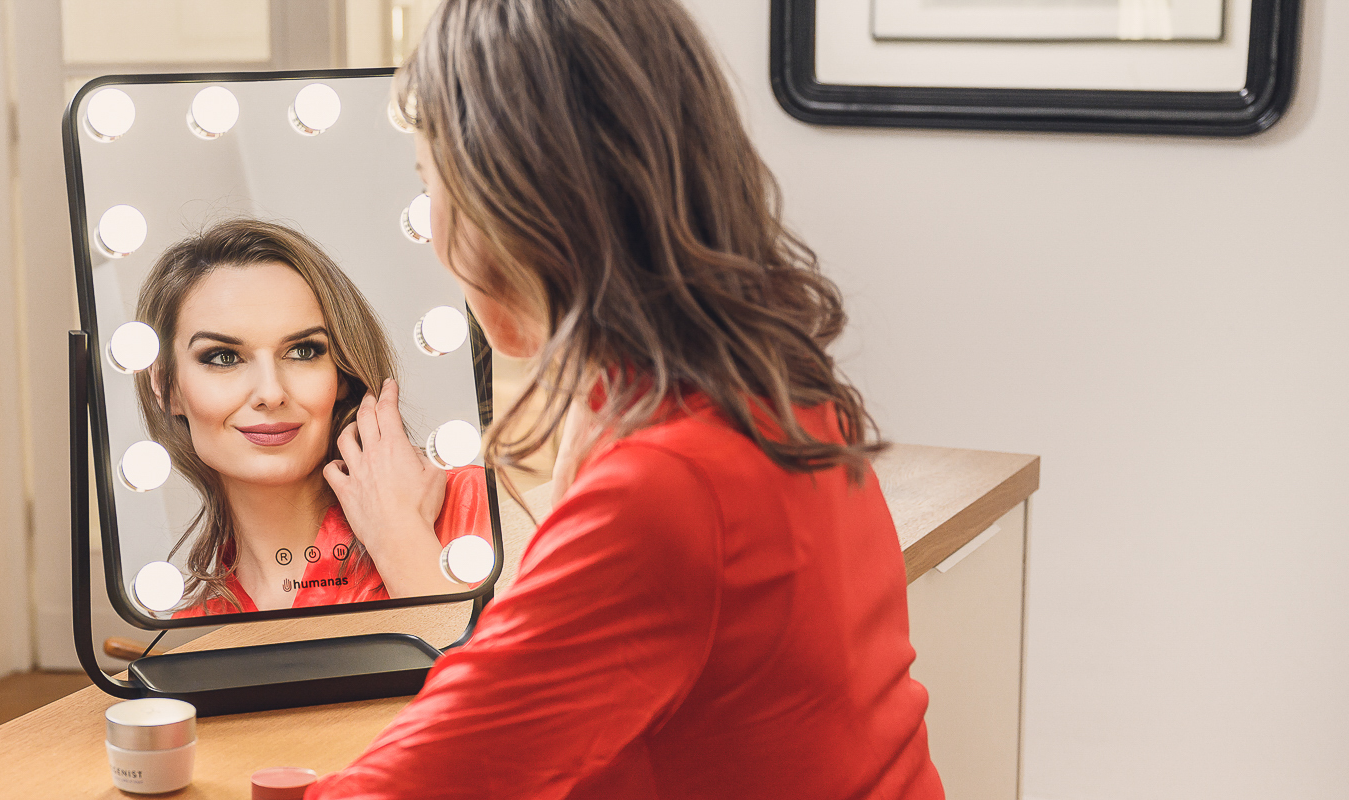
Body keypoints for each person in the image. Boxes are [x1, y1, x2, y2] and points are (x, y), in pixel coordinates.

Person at [306, 1, 942, 798]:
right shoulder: (774, 387)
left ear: (518, 205)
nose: (431, 231)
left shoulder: (667, 486)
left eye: (430, 184)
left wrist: (403, 543)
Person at [132, 218, 489, 618]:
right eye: (224, 357)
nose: (271, 393)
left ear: (341, 375)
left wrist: (399, 536)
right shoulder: (196, 628)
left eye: (303, 351)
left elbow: (497, 679)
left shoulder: (472, 508)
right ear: (168, 389)